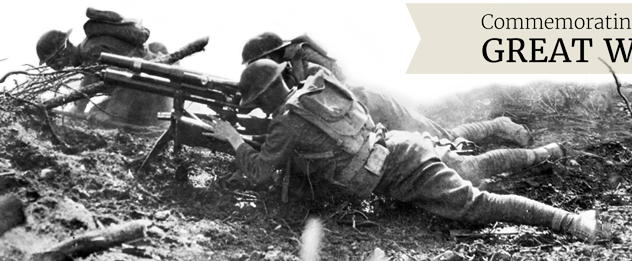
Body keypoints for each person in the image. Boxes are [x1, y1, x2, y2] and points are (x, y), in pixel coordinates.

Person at [205, 59, 613, 242]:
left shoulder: (287, 122)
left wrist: (232, 137)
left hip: (401, 167)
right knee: (473, 170)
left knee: (474, 204)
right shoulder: (314, 90)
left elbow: (259, 174)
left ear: (263, 97)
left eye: (256, 101)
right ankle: (547, 157)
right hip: (399, 150)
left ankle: (575, 223)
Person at [240, 31, 564, 183]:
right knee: (438, 139)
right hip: (366, 119)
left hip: (373, 110)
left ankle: (500, 126)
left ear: (276, 54)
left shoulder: (305, 59)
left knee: (442, 136)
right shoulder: (295, 61)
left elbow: (335, 94)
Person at [35, 7, 173, 127]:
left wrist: (111, 114)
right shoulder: (87, 52)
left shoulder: (92, 52)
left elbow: (125, 80)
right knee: (94, 114)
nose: (57, 67)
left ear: (63, 52)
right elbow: (87, 85)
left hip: (155, 94)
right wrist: (76, 110)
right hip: (150, 90)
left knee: (102, 120)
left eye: (53, 62)